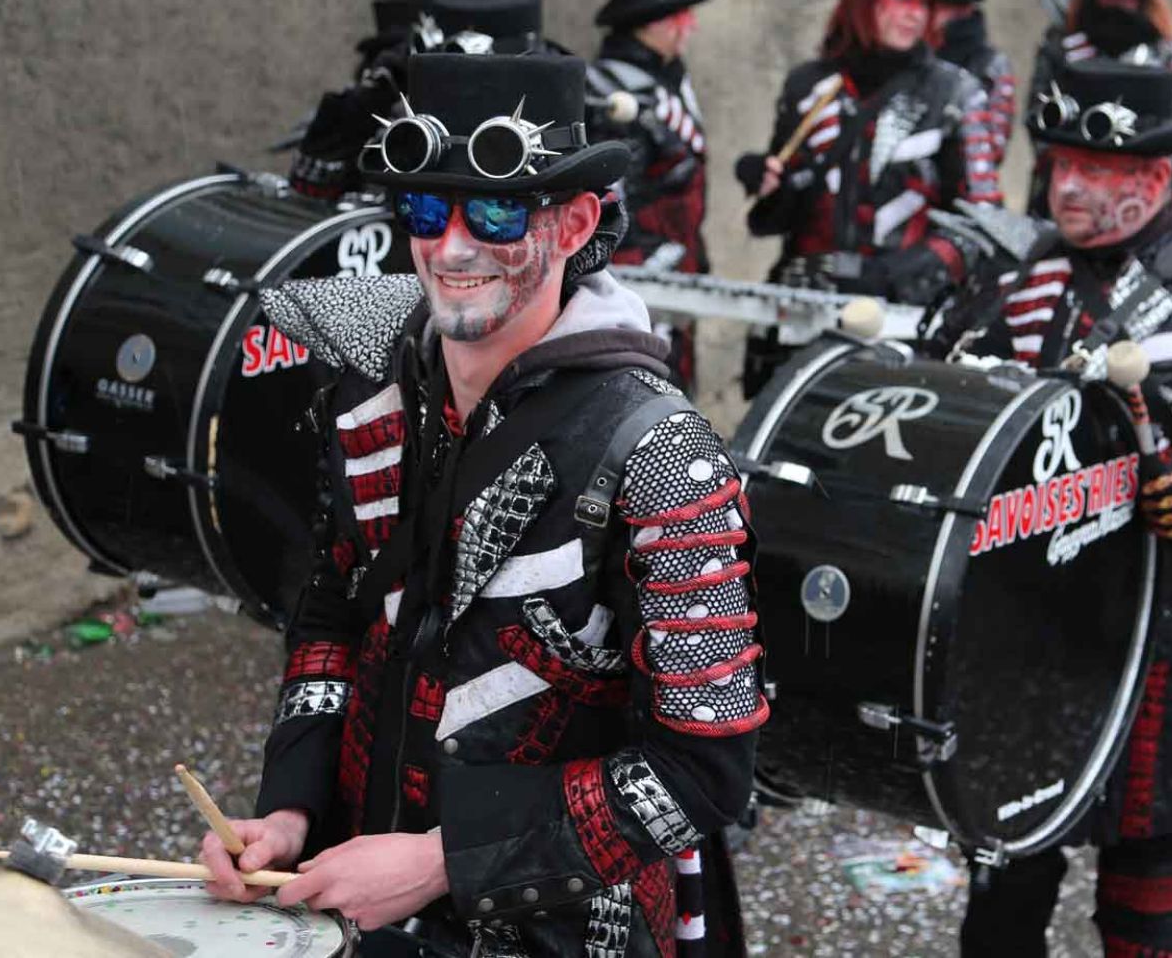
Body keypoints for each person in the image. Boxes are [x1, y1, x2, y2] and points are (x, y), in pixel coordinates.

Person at [202, 51, 764, 957]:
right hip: (354, 895)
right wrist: (290, 809)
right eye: (428, 208)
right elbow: (333, 613)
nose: (452, 246)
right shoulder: (371, 378)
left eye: (498, 211)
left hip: (560, 931)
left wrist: (443, 861)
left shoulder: (661, 454)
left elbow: (703, 770)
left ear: (576, 222)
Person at [929, 56, 1172, 958]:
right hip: (1027, 611)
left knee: (1146, 847)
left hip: (1167, 609)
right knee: (1005, 846)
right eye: (1060, 164)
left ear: (1154, 178)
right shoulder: (1019, 276)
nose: (1066, 187)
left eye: (1095, 169)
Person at [733, 0, 1002, 393]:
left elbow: (983, 226)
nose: (914, 14)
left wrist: (892, 277)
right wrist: (768, 182)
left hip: (903, 324)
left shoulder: (957, 93)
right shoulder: (809, 85)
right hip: (803, 316)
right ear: (864, 1)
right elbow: (778, 219)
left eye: (924, 3)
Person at [287, 0, 549, 203]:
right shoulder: (401, 110)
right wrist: (370, 99)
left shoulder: (551, 110)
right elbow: (308, 187)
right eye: (445, 62)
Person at [589, 0, 716, 391]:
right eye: (681, 16)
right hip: (636, 288)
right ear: (651, 22)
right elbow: (613, 205)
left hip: (677, 280)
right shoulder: (611, 93)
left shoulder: (670, 80)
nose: (691, 26)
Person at [1025, 0, 1172, 215]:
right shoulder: (1062, 45)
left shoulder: (1163, 52)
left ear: (1142, 0)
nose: (1113, 5)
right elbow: (1038, 115)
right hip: (1067, 179)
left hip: (1134, 186)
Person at [932, 0, 1018, 172]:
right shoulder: (917, 54)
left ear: (966, 9)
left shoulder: (992, 64)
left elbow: (995, 146)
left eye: (947, 5)